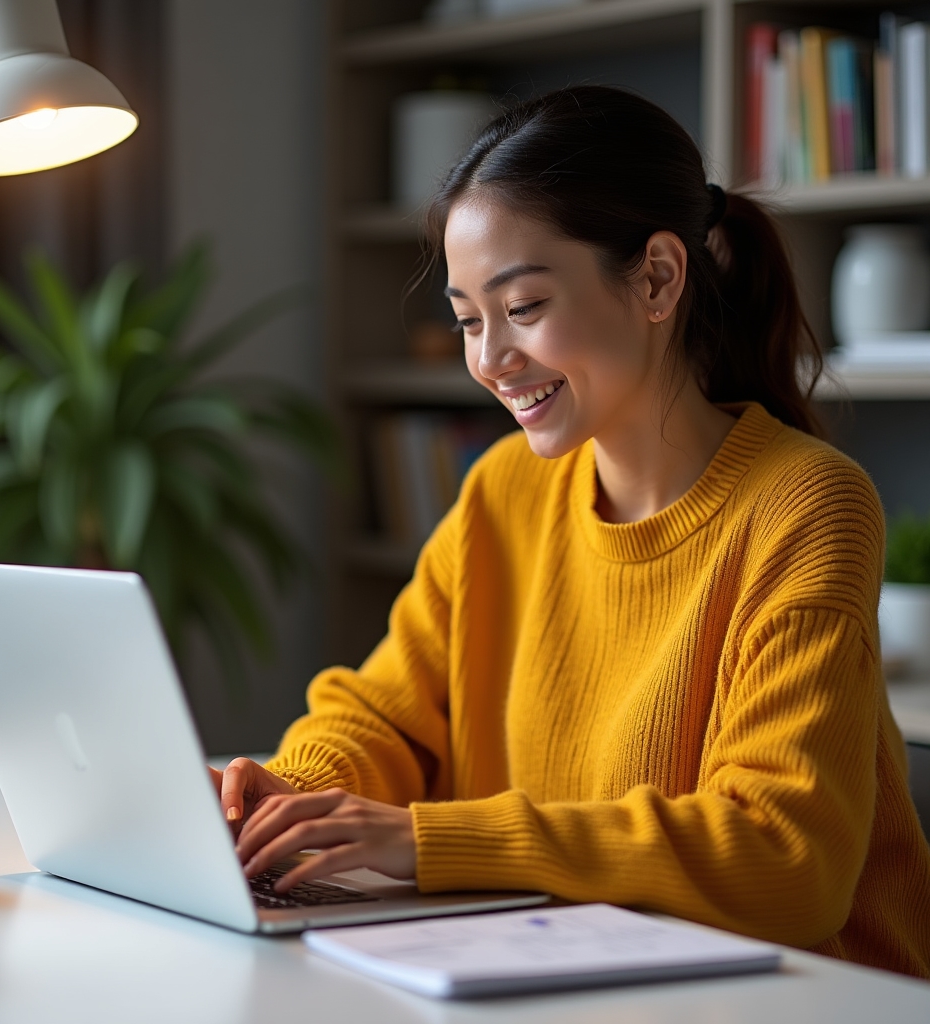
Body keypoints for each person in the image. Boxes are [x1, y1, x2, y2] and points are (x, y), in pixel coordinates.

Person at [211, 86, 930, 977]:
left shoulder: (806, 505)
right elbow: (387, 714)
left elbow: (785, 860)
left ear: (659, 278)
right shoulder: (507, 489)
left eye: (524, 308)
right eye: (469, 319)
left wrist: (432, 841)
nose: (490, 360)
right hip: (573, 971)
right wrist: (296, 794)